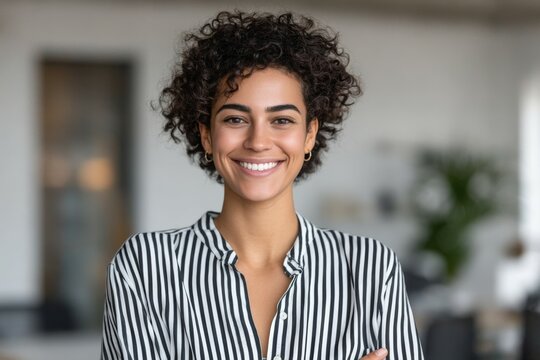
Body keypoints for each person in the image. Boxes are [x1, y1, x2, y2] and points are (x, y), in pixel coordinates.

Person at [100, 10, 424, 360]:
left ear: (309, 135)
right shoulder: (144, 266)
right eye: (236, 119)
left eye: (281, 120)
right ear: (207, 136)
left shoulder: (370, 267)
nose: (258, 140)